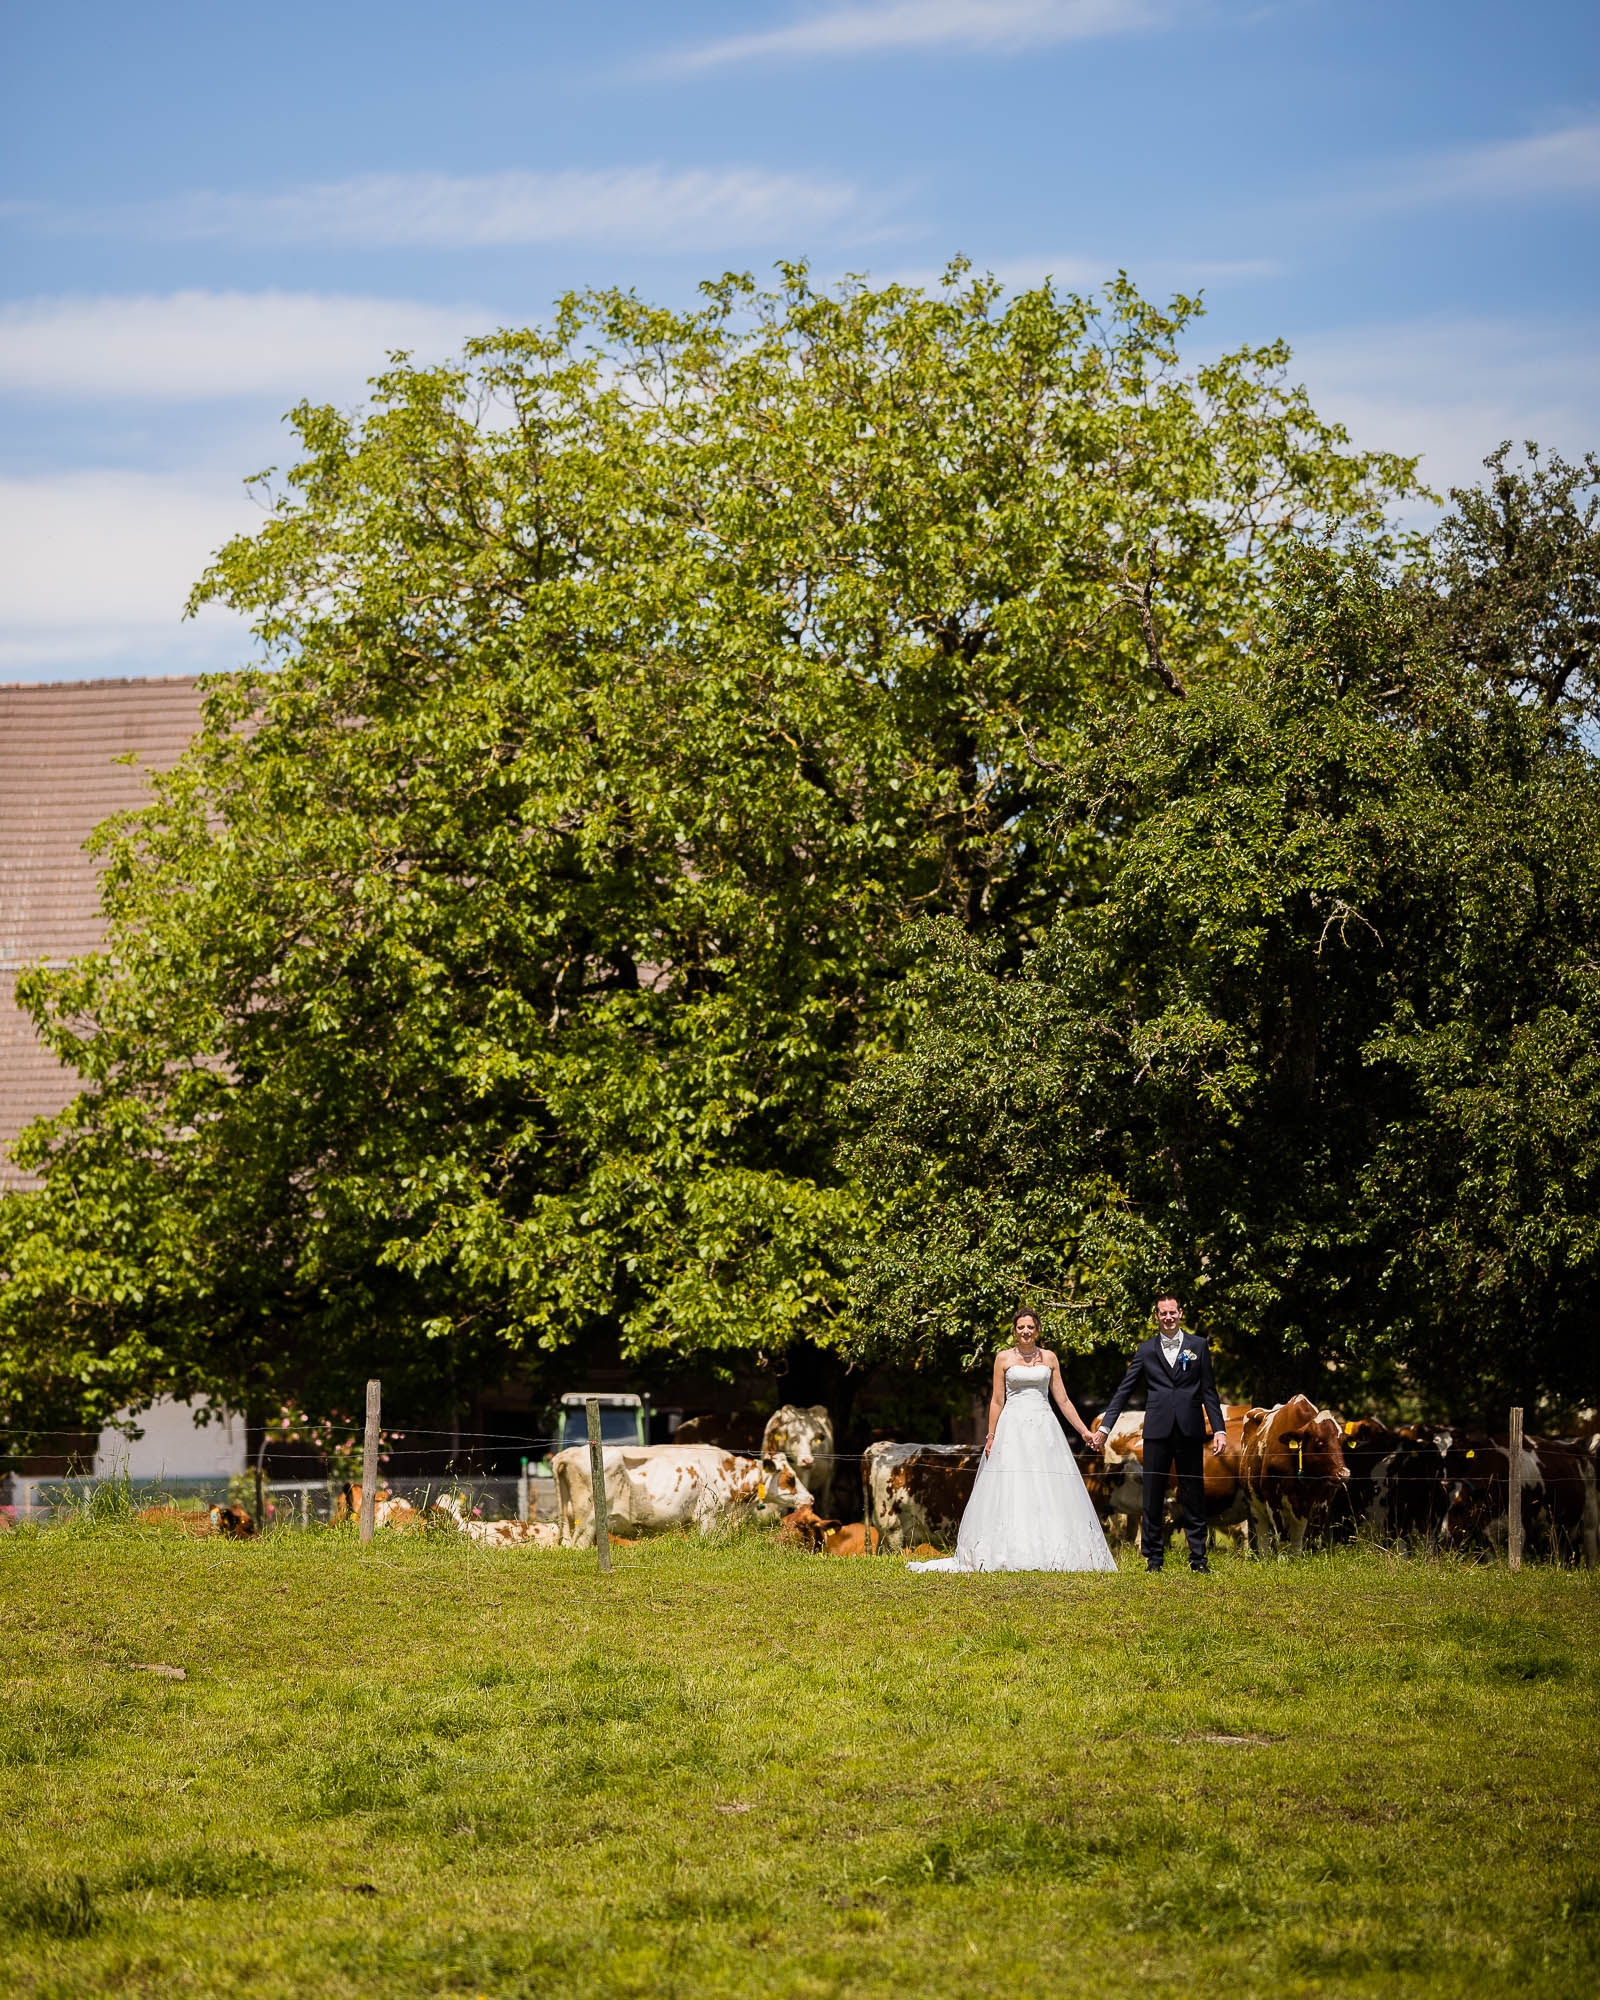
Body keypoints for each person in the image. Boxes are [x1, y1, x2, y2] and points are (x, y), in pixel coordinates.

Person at [907, 1308, 1116, 1573]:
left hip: (1044, 1427)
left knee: (1047, 1485)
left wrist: (1085, 1431)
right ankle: (1009, 1549)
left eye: (1030, 1327)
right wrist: (991, 1435)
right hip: (1012, 1427)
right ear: (1014, 1331)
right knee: (1012, 1485)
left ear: (1037, 1330)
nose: (1026, 1331)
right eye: (1021, 1327)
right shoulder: (1003, 1358)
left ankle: (1053, 1550)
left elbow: (1062, 1400)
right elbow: (997, 1400)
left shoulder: (1049, 1358)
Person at [1089, 1292, 1226, 1574]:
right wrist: (1105, 1427)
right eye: (1162, 1313)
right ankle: (1153, 1559)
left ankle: (1198, 1559)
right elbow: (1124, 1391)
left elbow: (1209, 1392)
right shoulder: (1146, 1350)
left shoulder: (1198, 1345)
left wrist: (1220, 1430)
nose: (1168, 1317)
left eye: (1172, 1312)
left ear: (1180, 1313)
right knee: (1151, 1495)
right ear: (1156, 1316)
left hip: (1190, 1430)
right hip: (1157, 1431)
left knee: (1193, 1493)